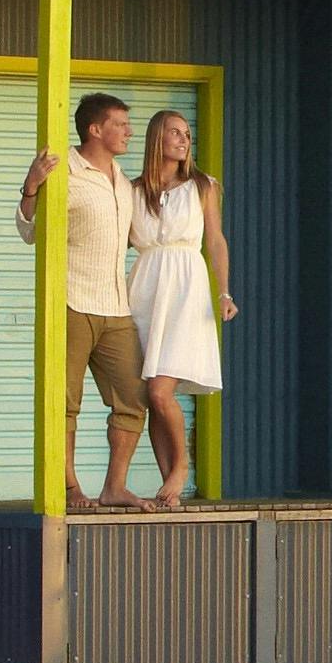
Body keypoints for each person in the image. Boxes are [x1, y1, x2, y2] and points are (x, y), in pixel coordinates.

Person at [15, 90, 150, 511]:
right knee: (64, 401)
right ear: (95, 129)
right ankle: (69, 486)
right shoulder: (64, 172)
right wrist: (31, 186)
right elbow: (30, 232)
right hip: (73, 302)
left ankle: (115, 487)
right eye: (120, 124)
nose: (129, 132)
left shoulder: (124, 183)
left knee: (133, 398)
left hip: (116, 307)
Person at [124, 105, 235, 507]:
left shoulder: (202, 185)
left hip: (186, 286)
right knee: (148, 392)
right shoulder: (133, 190)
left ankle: (182, 467)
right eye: (175, 132)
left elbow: (215, 240)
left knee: (160, 389)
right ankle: (168, 484)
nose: (184, 139)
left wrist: (224, 292)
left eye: (187, 133)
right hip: (145, 288)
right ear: (157, 138)